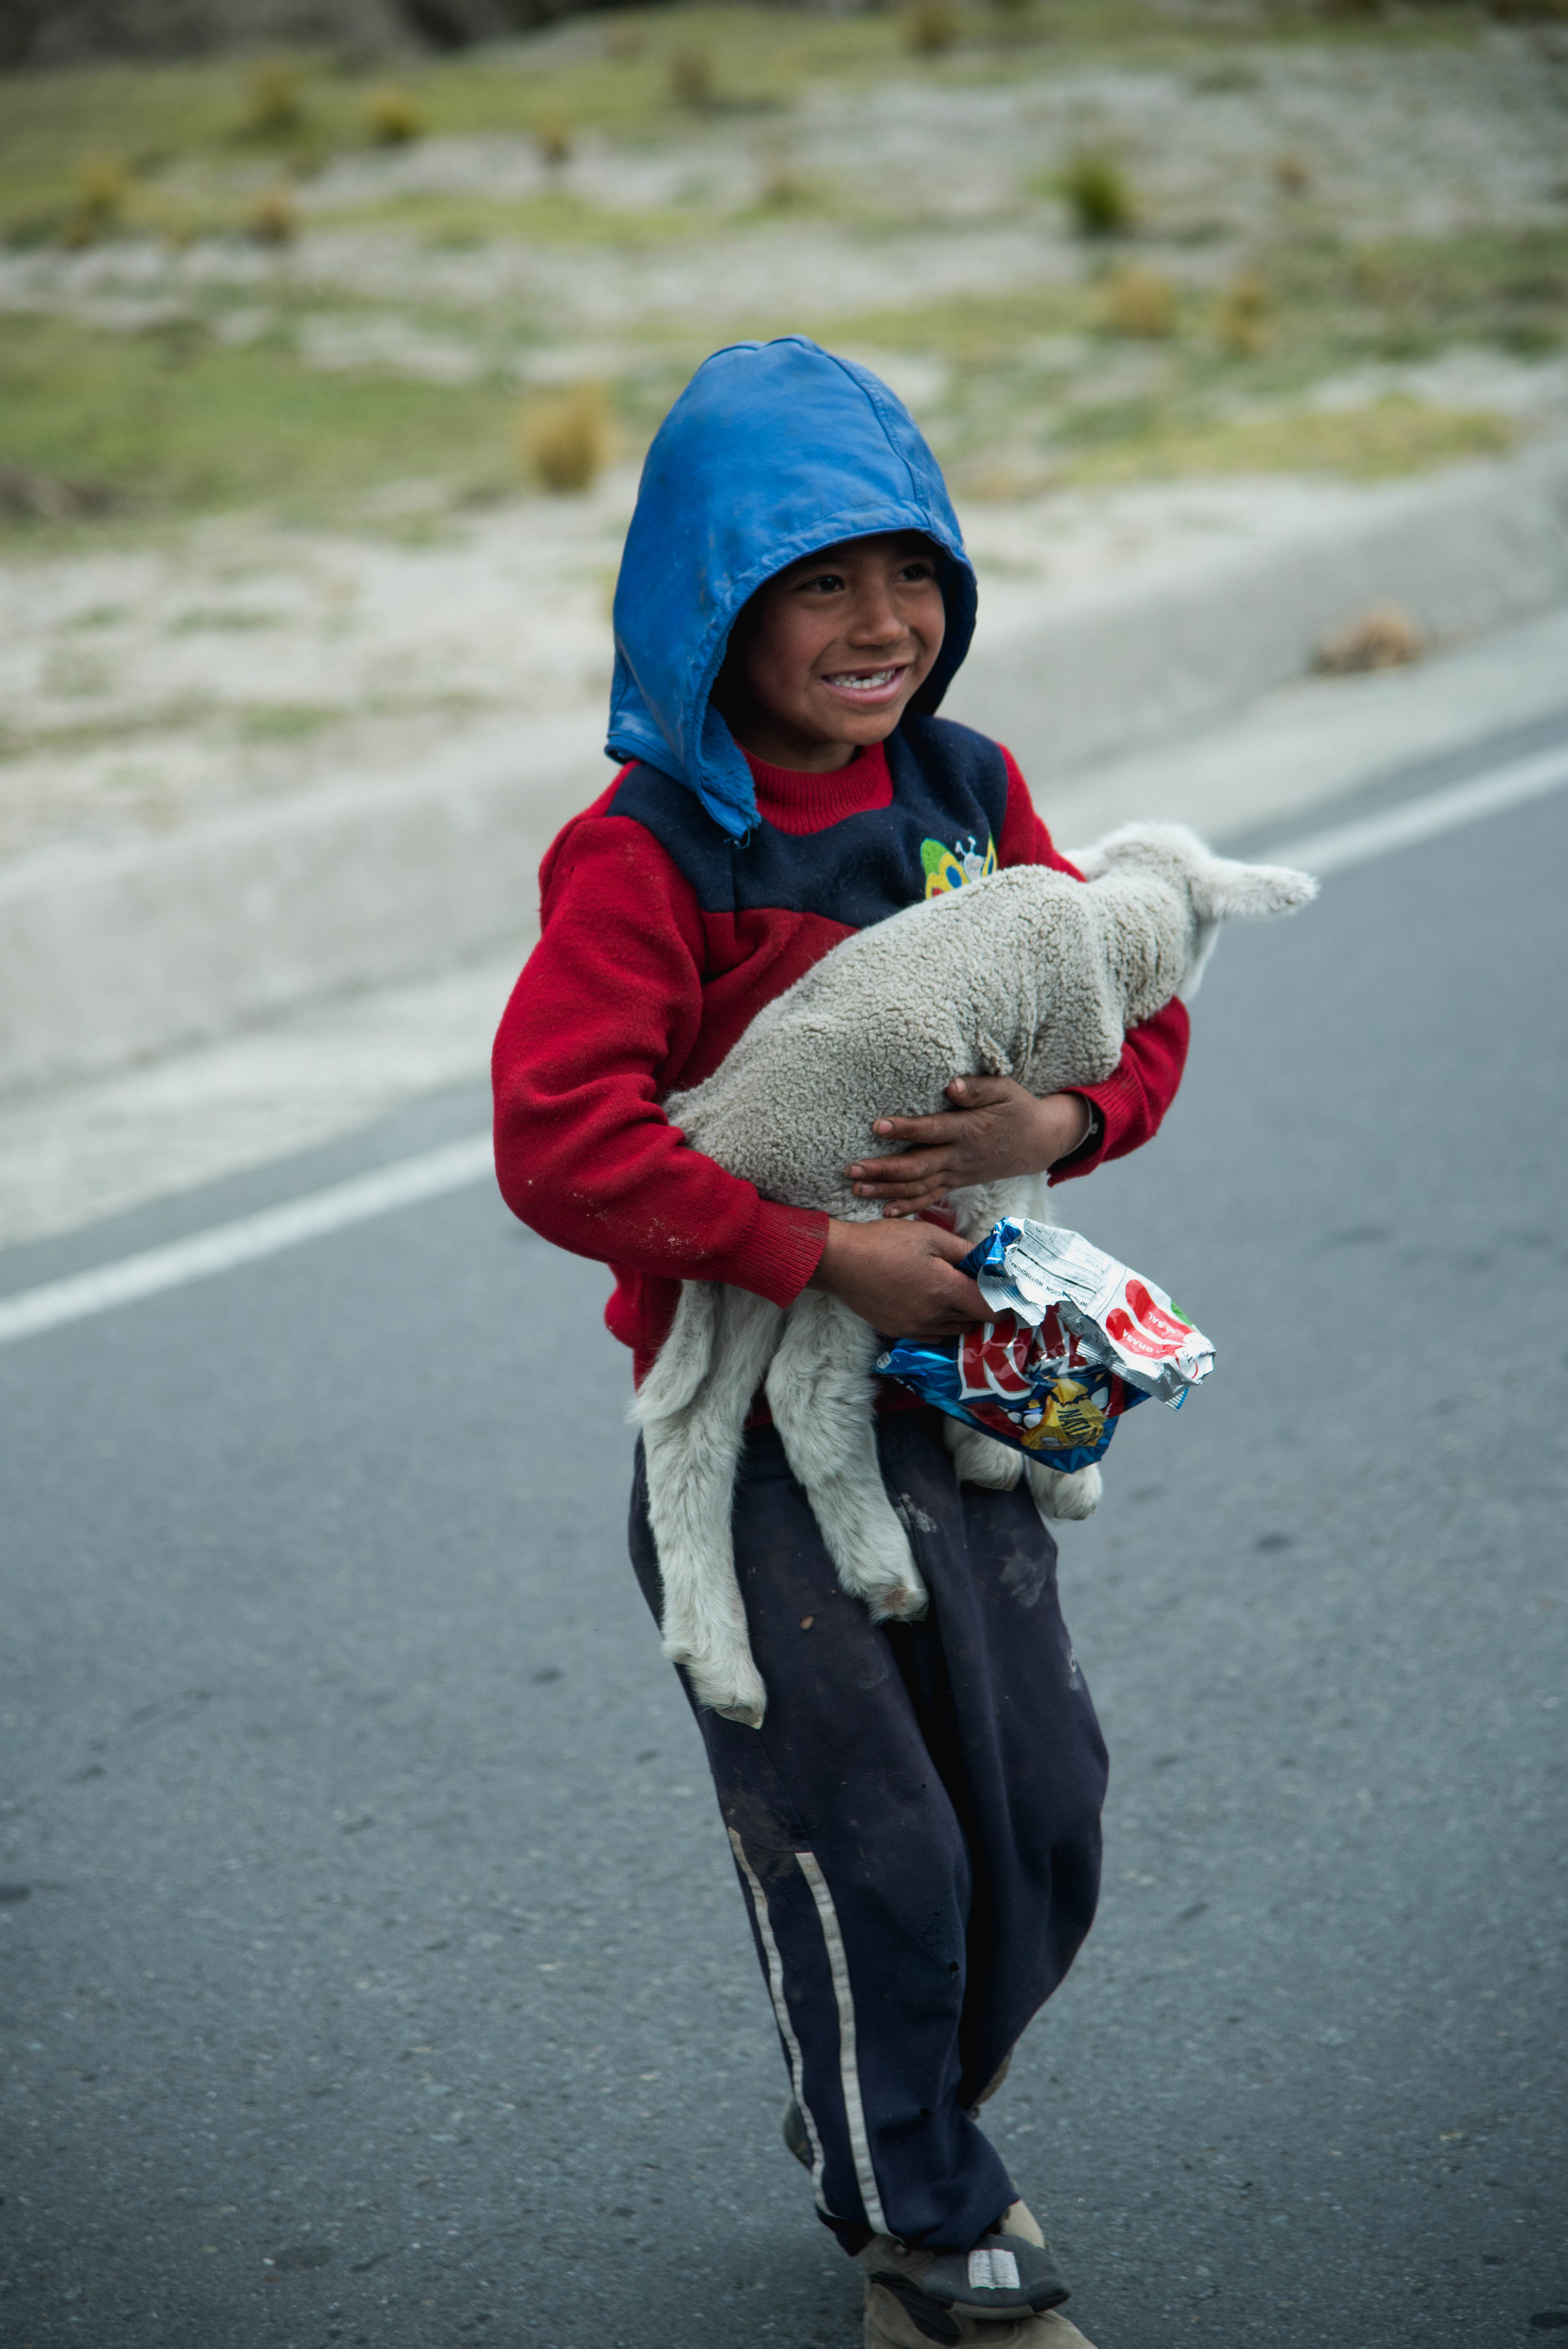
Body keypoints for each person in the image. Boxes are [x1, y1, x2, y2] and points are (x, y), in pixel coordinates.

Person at [492, 337, 1188, 2348]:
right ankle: (921, 2226)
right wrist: (810, 1250)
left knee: (1036, 1813)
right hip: (759, 1449)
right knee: (869, 1842)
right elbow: (560, 1135)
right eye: (818, 583)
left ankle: (903, 2117)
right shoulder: (647, 853)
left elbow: (1116, 998)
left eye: (912, 575)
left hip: (962, 1397)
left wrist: (1060, 1123)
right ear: (714, 606)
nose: (880, 624)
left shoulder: (972, 792)